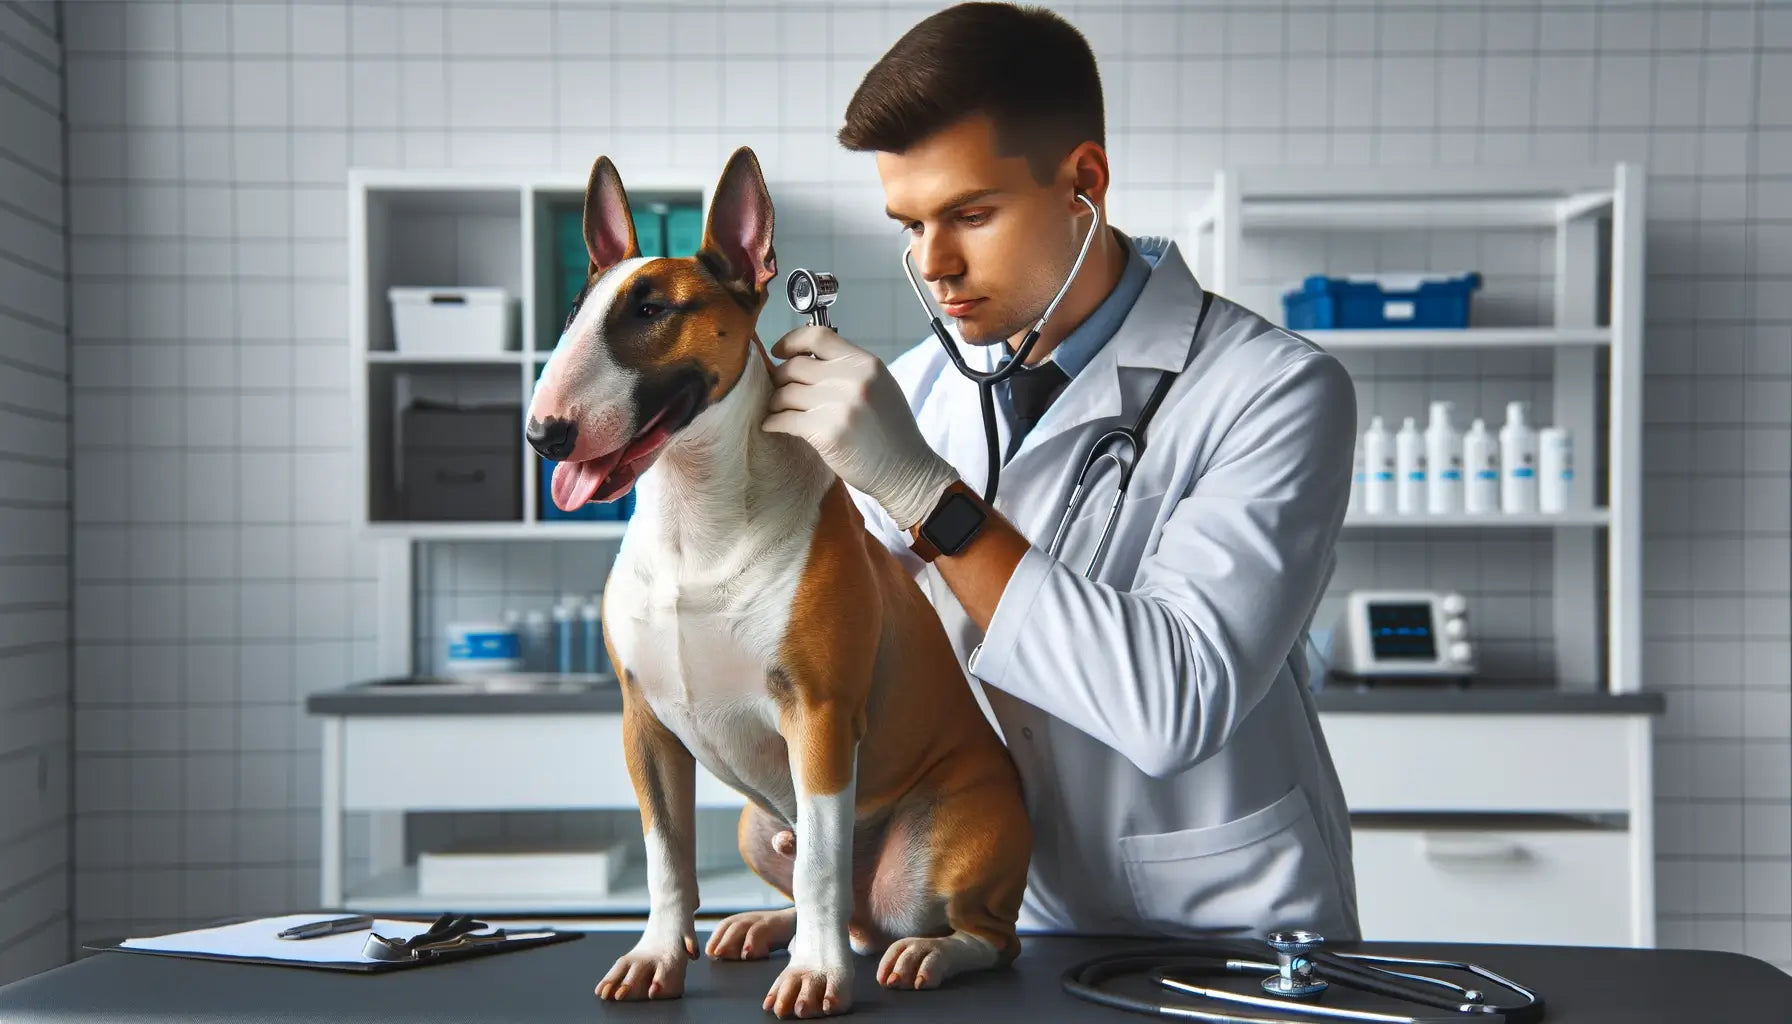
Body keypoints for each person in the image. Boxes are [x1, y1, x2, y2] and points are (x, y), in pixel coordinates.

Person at [760, 1, 1361, 942]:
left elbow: (1175, 701)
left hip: (1227, 924)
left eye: (971, 213)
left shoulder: (1274, 390)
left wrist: (926, 498)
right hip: (1000, 918)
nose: (935, 264)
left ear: (1085, 181)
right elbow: (872, 655)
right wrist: (794, 786)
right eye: (909, 224)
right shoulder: (914, 395)